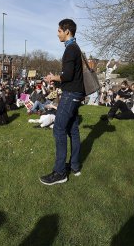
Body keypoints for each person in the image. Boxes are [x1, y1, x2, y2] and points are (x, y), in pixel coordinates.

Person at [40, 19, 85, 186]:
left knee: (59, 128)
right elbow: (71, 77)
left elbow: (68, 76)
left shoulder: (70, 49)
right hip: (75, 93)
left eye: (59, 30)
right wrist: (57, 81)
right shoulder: (76, 48)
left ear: (67, 31)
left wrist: (53, 77)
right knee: (72, 129)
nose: (57, 33)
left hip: (70, 95)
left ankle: (60, 173)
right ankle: (74, 166)